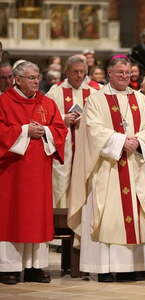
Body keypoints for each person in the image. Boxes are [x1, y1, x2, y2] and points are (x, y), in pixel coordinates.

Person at [68, 55, 145, 282]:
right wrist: (120, 142)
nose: (125, 77)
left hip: (134, 166)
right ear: (109, 73)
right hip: (107, 168)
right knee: (107, 215)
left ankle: (131, 266)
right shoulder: (96, 99)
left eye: (128, 73)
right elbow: (92, 129)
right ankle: (104, 268)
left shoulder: (139, 98)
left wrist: (138, 141)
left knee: (134, 217)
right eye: (120, 73)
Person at [0, 61, 67, 284]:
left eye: (38, 77)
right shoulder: (3, 102)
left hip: (39, 172)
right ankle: (8, 267)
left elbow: (59, 129)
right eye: (31, 77)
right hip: (12, 172)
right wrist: (25, 130)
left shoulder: (47, 103)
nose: (37, 81)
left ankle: (35, 267)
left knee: (37, 217)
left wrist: (45, 131)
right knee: (12, 216)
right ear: (17, 80)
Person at [46, 55, 99, 208]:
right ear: (67, 72)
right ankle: (60, 224)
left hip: (86, 149)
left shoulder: (96, 91)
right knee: (61, 188)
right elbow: (44, 118)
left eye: (83, 72)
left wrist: (86, 119)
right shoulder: (55, 91)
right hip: (64, 150)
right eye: (75, 71)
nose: (79, 75)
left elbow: (104, 120)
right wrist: (63, 119)